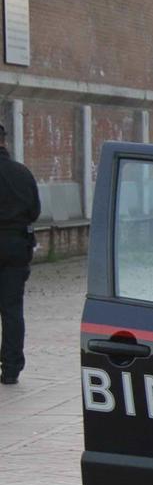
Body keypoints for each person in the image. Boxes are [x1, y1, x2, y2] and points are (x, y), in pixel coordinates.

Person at [0, 123, 41, 385]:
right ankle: (11, 368)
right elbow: (35, 210)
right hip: (16, 246)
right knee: (12, 310)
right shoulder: (22, 173)